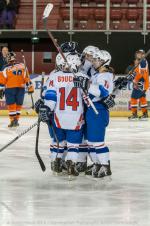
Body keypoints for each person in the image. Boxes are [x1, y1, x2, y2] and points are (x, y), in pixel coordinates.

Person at [74, 49, 114, 178]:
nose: (94, 62)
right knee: (91, 142)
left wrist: (86, 84)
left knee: (97, 142)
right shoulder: (97, 75)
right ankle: (97, 164)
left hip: (98, 110)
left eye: (96, 60)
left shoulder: (105, 75)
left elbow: (103, 92)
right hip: (91, 109)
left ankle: (105, 166)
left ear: (104, 61)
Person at [0, 52, 34, 127]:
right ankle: (16, 120)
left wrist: (1, 89)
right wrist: (30, 87)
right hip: (21, 88)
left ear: (8, 58)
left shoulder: (5, 67)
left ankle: (12, 121)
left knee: (11, 105)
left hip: (10, 88)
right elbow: (27, 77)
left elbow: (2, 80)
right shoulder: (22, 65)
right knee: (18, 105)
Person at [128, 49, 149, 120]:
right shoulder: (140, 61)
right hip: (143, 84)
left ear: (143, 54)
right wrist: (132, 73)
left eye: (140, 53)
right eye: (137, 53)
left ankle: (134, 115)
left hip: (140, 84)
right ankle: (145, 115)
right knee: (142, 98)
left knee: (133, 98)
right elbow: (137, 72)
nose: (138, 55)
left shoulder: (142, 61)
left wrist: (135, 80)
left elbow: (142, 74)